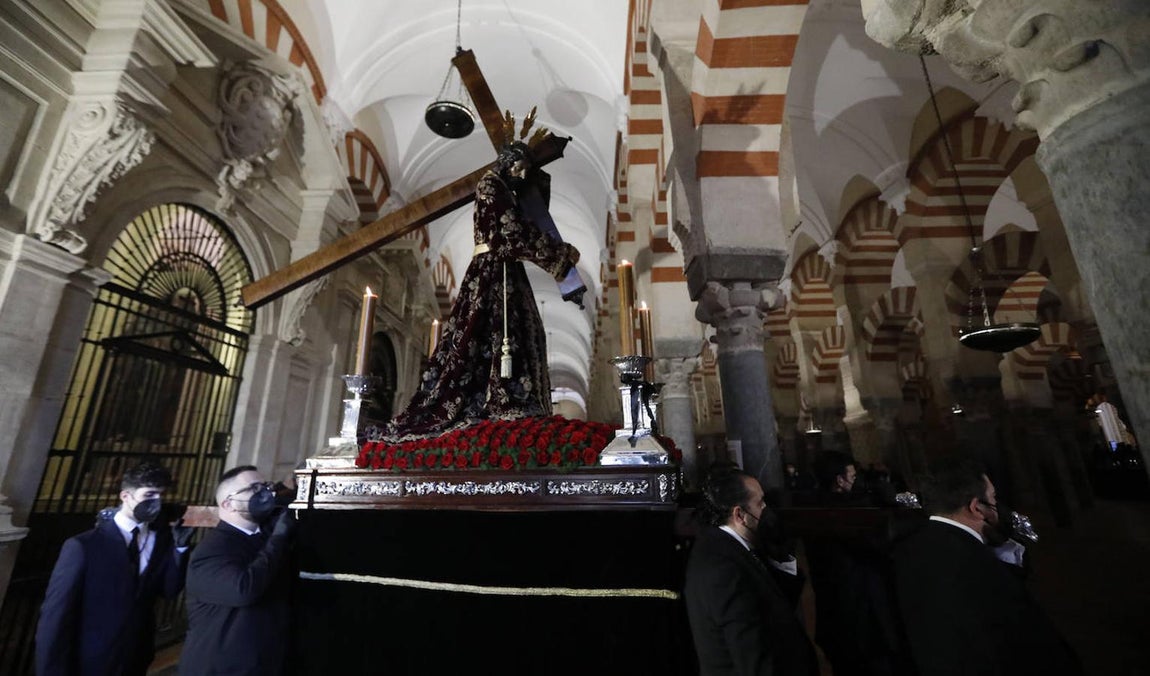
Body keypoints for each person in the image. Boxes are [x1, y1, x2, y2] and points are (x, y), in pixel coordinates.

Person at [383, 136, 580, 439]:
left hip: (506, 270)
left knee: (524, 332)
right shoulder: (491, 187)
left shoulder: (504, 187)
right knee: (487, 333)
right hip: (492, 270)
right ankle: (494, 402)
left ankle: (516, 402)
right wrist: (558, 255)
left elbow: (522, 222)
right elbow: (510, 234)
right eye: (519, 167)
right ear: (506, 162)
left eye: (526, 168)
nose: (522, 174)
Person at [893, 455, 1083, 676]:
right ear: (976, 508)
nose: (997, 506)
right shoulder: (976, 565)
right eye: (993, 498)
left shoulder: (913, 544)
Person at [36, 461, 190, 676]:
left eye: (161, 496)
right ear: (125, 496)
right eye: (149, 495)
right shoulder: (83, 546)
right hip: (89, 660)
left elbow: (169, 590)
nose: (157, 503)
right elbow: (56, 616)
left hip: (136, 657)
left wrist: (180, 549)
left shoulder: (161, 539)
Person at [684, 465, 817, 676]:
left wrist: (780, 556)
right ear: (740, 515)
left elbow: (777, 606)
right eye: (760, 503)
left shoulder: (731, 547)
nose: (766, 510)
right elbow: (750, 654)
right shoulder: (722, 567)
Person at [180, 466, 296, 676]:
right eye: (254, 488)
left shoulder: (263, 538)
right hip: (221, 668)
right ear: (228, 503)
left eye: (265, 486)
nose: (265, 493)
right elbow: (244, 590)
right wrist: (278, 539)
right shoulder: (210, 551)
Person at [805, 451, 912, 676]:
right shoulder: (847, 516)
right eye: (852, 477)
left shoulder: (812, 510)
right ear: (839, 481)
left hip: (837, 619)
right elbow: (877, 546)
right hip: (863, 619)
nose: (856, 481)